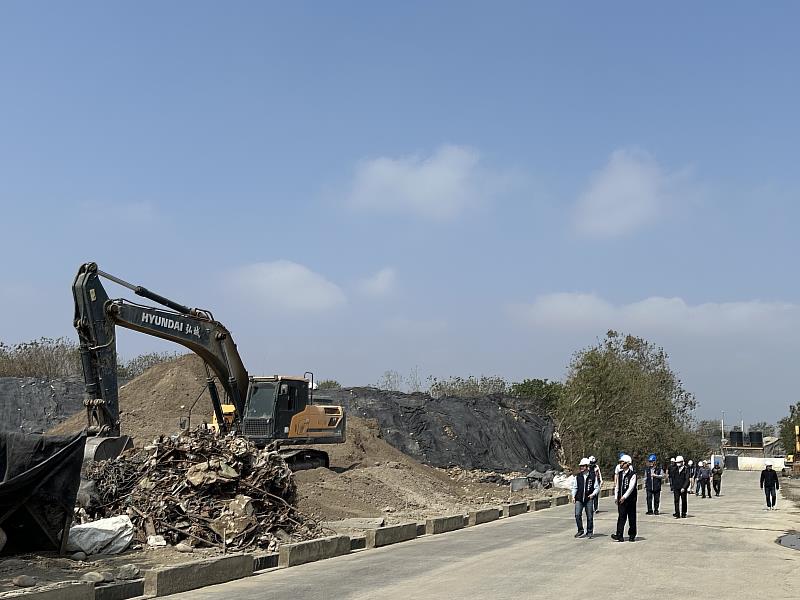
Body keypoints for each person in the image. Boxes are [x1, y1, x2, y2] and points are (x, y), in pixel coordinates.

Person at [611, 454, 637, 542]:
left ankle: (632, 535)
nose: (621, 464)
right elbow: (617, 486)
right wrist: (616, 496)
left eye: (622, 462)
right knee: (621, 516)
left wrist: (624, 497)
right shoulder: (620, 474)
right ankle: (619, 535)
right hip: (621, 499)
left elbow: (631, 488)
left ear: (627, 464)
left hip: (630, 500)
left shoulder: (633, 474)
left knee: (631, 517)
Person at [571, 457, 599, 538]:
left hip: (588, 499)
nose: (581, 467)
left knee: (590, 516)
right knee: (577, 515)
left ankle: (589, 531)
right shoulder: (578, 476)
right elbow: (575, 487)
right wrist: (573, 496)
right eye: (581, 466)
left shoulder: (592, 476)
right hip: (579, 498)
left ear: (587, 466)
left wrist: (593, 494)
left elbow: (597, 487)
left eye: (583, 466)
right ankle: (580, 530)